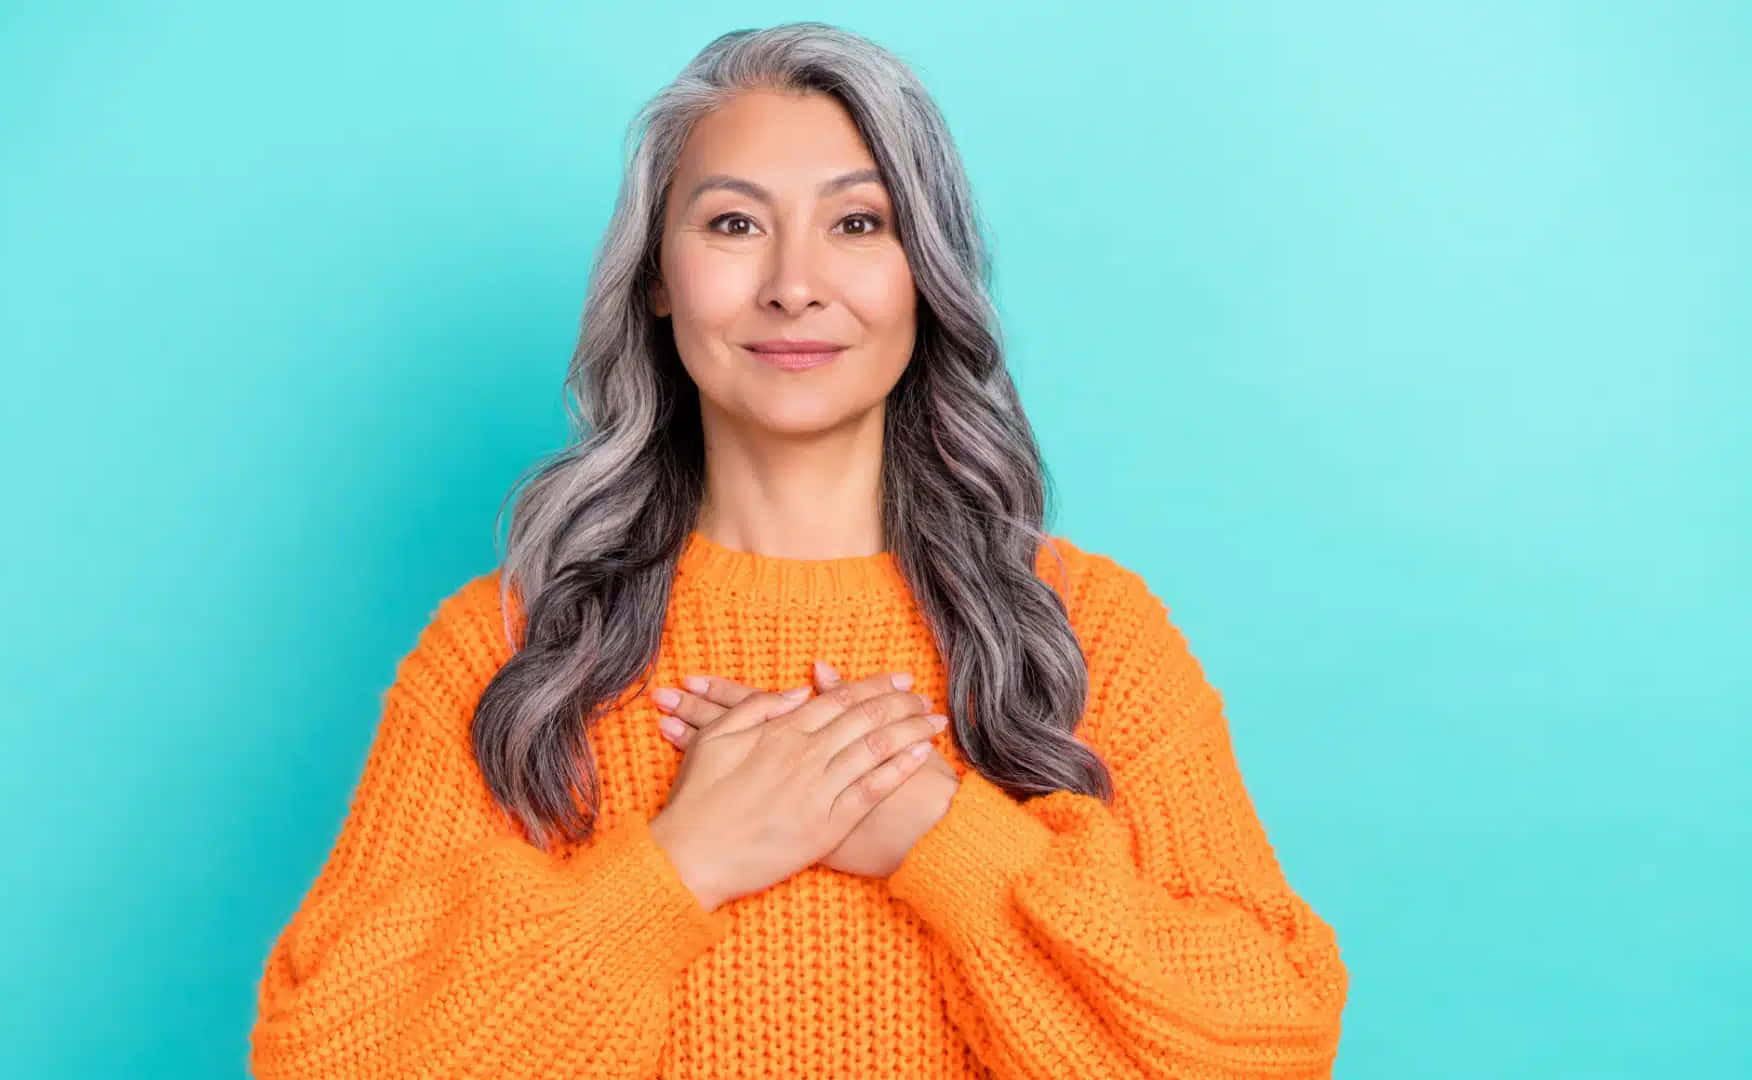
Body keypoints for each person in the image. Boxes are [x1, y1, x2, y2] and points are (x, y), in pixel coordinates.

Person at [247, 21, 1349, 1080]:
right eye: (733, 224)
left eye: (857, 224)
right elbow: (326, 1060)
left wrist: (935, 832)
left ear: (928, 274)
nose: (793, 283)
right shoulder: (512, 646)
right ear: (656, 284)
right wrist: (686, 862)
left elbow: (1268, 1047)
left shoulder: (1082, 630)